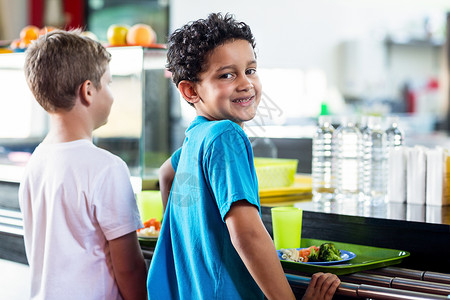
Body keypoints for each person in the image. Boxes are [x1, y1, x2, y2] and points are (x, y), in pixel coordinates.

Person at [148, 13, 340, 299]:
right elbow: (247, 234)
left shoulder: (196, 136)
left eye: (250, 70)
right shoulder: (226, 135)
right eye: (226, 75)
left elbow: (166, 173)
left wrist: (190, 239)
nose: (245, 83)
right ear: (190, 90)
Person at [19, 30, 147, 300]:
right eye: (108, 83)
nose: (112, 95)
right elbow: (129, 268)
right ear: (88, 91)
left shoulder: (35, 163)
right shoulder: (107, 168)